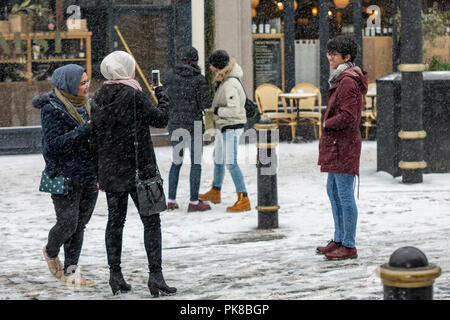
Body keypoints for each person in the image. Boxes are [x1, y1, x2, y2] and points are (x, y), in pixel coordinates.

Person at [91, 51, 176, 297]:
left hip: (112, 171)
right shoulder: (134, 95)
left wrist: (99, 172)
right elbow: (161, 119)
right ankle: (156, 275)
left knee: (115, 222)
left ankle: (115, 274)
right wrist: (161, 93)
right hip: (140, 170)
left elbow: (94, 138)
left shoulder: (98, 97)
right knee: (151, 221)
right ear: (125, 70)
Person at [33, 64, 98, 286]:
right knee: (68, 224)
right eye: (82, 83)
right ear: (69, 84)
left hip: (88, 174)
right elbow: (52, 145)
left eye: (88, 81)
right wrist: (85, 130)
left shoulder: (89, 105)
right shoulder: (52, 108)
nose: (87, 86)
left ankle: (70, 273)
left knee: (80, 225)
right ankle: (51, 251)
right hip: (64, 175)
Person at [316, 36, 368, 260]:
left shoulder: (347, 81)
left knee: (344, 195)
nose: (329, 57)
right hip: (338, 144)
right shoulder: (341, 78)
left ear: (346, 57)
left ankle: (348, 244)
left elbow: (349, 116)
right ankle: (338, 238)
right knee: (334, 192)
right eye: (329, 53)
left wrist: (327, 123)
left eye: (334, 54)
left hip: (343, 145)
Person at [198, 50, 250, 212]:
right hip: (225, 126)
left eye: (212, 65)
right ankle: (216, 190)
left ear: (218, 66)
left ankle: (244, 198)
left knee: (231, 162)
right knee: (218, 158)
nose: (211, 68)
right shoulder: (225, 80)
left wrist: (218, 111)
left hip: (232, 127)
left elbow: (234, 110)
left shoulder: (229, 84)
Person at [161, 46, 211, 212]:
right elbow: (206, 104)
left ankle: (171, 200)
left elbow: (162, 98)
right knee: (195, 163)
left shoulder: (169, 77)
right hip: (194, 124)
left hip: (176, 124)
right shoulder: (199, 79)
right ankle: (194, 202)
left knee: (176, 162)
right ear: (195, 60)